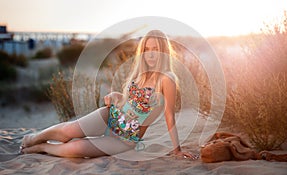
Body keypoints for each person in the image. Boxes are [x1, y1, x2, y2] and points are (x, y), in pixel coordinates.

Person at [20, 30, 197, 160]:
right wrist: (115, 96)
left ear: (163, 51)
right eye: (146, 48)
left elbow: (169, 115)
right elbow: (128, 101)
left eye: (155, 49)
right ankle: (33, 138)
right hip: (110, 116)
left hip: (126, 139)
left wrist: (177, 149)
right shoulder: (140, 74)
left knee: (77, 148)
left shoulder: (167, 79)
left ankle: (42, 147)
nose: (150, 54)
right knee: (68, 131)